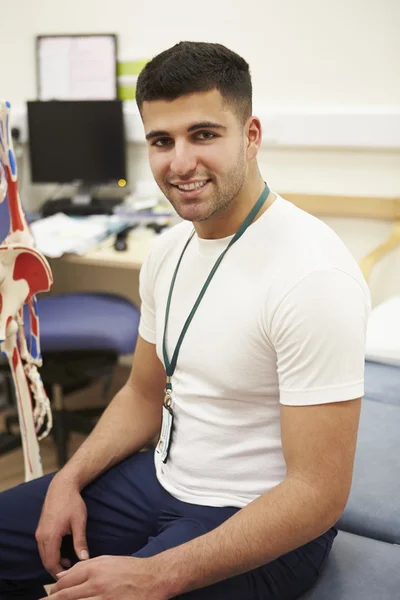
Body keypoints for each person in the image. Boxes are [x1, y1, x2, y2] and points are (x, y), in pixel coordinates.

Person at [0, 41, 371, 600]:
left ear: (250, 135)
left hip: (261, 519)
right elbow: (144, 395)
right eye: (160, 141)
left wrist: (156, 573)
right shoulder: (167, 253)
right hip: (160, 482)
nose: (180, 162)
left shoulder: (312, 276)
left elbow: (318, 492)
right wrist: (68, 480)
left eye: (203, 134)